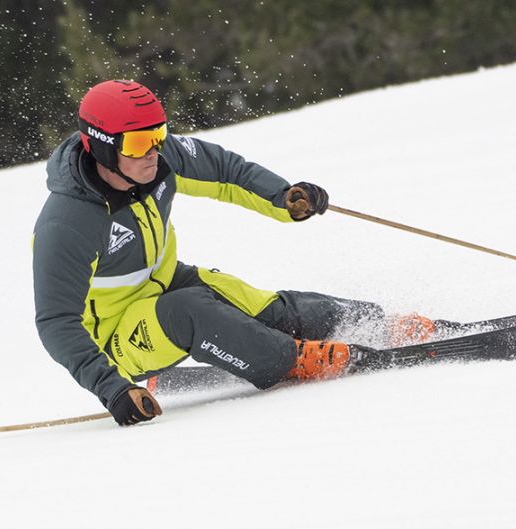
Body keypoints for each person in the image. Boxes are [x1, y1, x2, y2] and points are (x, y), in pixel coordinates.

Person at [33, 79, 435, 426]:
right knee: (191, 308)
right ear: (102, 147)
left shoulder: (153, 161)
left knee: (264, 307)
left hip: (164, 281)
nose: (154, 151)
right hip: (117, 338)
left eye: (158, 135)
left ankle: (375, 323)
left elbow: (225, 171)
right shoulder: (66, 224)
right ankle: (291, 359)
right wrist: (113, 388)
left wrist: (283, 197)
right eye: (139, 143)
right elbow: (56, 322)